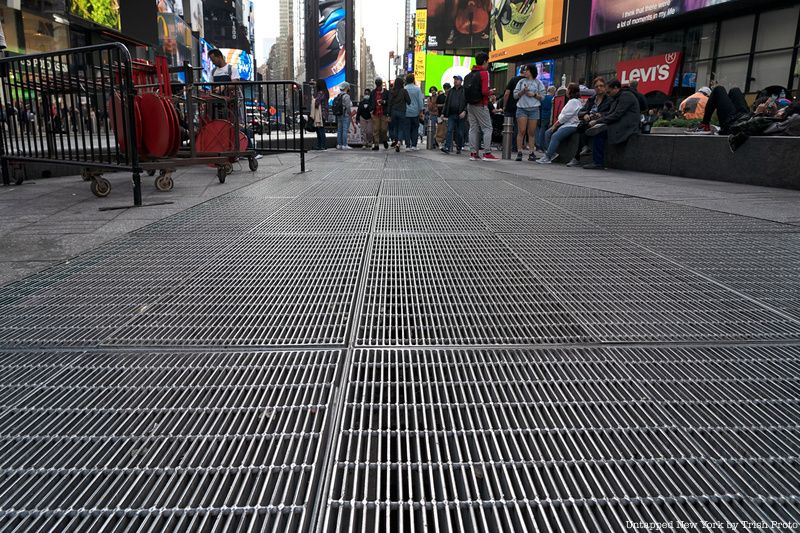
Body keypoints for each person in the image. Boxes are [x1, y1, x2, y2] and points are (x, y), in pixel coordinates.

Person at [584, 79, 641, 169]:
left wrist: (598, 121)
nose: (607, 93)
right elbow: (611, 113)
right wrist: (600, 117)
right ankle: (589, 150)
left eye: (609, 91)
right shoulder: (617, 97)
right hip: (620, 123)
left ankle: (598, 162)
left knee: (599, 132)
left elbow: (617, 114)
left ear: (615, 88)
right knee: (597, 130)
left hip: (627, 126)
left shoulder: (626, 96)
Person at [568, 77, 612, 167]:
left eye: (601, 86)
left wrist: (599, 116)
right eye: (596, 86)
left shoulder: (610, 100)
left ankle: (579, 156)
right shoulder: (591, 99)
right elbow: (580, 111)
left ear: (605, 87)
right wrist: (585, 115)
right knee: (581, 126)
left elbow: (610, 113)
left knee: (591, 129)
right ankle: (584, 148)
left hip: (601, 123)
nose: (599, 88)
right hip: (588, 122)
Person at [537, 83, 582, 164]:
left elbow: (566, 116)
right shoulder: (572, 101)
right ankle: (551, 153)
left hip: (571, 125)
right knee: (547, 133)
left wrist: (556, 125)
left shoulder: (574, 102)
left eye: (568, 89)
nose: (566, 91)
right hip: (566, 124)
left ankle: (548, 156)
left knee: (555, 136)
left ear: (571, 91)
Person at [465, 52, 498, 160]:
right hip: (481, 104)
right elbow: (484, 91)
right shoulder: (484, 73)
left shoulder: (469, 75)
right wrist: (491, 92)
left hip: (470, 105)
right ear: (484, 61)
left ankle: (473, 153)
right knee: (487, 128)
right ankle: (487, 153)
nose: (488, 64)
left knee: (473, 128)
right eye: (488, 62)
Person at [512, 63, 545, 162]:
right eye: (524, 70)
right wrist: (523, 91)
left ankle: (531, 152)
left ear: (531, 71)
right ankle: (519, 151)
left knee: (531, 132)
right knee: (521, 131)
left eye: (526, 70)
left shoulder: (538, 82)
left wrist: (534, 94)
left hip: (534, 108)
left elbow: (543, 97)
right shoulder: (521, 81)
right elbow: (515, 96)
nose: (524, 72)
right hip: (522, 108)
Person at [441, 75, 467, 154]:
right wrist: (443, 113)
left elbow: (467, 102)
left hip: (460, 114)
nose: (455, 81)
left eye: (457, 79)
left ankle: (459, 146)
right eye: (455, 79)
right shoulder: (451, 91)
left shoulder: (464, 90)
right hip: (451, 114)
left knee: (459, 132)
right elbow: (446, 103)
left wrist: (465, 111)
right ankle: (447, 147)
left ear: (461, 81)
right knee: (449, 130)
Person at [502, 70, 524, 153]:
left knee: (507, 127)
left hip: (510, 106)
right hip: (522, 107)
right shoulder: (528, 81)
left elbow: (507, 93)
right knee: (518, 128)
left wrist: (504, 105)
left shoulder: (513, 79)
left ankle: (506, 145)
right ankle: (516, 147)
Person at [388, 75, 410, 152]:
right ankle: (398, 143)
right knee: (401, 128)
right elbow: (409, 102)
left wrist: (388, 113)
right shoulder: (404, 91)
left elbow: (389, 103)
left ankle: (395, 140)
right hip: (402, 111)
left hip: (393, 111)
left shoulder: (392, 91)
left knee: (395, 127)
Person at [404, 73, 425, 151]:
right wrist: (421, 111)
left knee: (407, 129)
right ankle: (414, 145)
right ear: (413, 80)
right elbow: (420, 101)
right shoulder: (417, 89)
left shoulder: (404, 88)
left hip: (406, 112)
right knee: (415, 129)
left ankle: (407, 146)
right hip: (415, 112)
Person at [367, 77, 390, 150]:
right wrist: (371, 110)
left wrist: (384, 102)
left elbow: (389, 102)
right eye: (377, 84)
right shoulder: (373, 92)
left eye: (379, 84)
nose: (378, 86)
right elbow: (370, 102)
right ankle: (376, 144)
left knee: (384, 129)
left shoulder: (386, 92)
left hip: (383, 113)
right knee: (376, 129)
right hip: (375, 113)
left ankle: (384, 140)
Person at [334, 82, 355, 150]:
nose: (349, 88)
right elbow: (348, 107)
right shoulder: (346, 96)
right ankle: (345, 145)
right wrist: (349, 114)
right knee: (345, 130)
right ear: (346, 88)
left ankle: (339, 144)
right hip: (345, 115)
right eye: (348, 87)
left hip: (339, 114)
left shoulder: (338, 95)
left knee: (339, 130)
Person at [536, 86, 556, 152]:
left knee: (541, 131)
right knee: (547, 132)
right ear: (553, 91)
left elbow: (540, 107)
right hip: (550, 117)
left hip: (542, 116)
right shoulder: (553, 99)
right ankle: (546, 146)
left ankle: (539, 146)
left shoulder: (543, 98)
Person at [312, 79, 329, 150]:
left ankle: (322, 145)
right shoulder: (325, 92)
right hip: (324, 113)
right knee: (320, 129)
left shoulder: (321, 93)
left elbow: (316, 102)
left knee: (320, 130)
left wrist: (313, 99)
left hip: (320, 114)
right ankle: (321, 145)